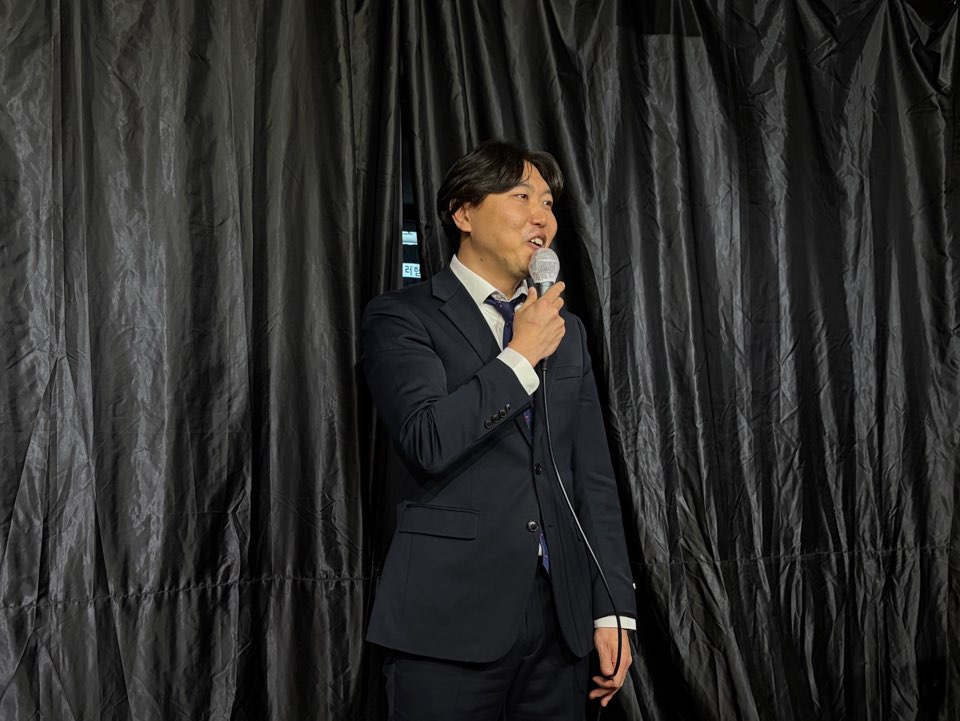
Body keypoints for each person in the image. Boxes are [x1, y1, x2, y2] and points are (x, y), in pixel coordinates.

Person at [362, 140, 637, 720]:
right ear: (464, 213)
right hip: (449, 621)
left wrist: (612, 608)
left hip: (559, 623)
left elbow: (591, 475)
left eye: (548, 203)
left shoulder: (566, 330)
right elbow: (427, 438)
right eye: (521, 196)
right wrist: (520, 355)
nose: (543, 217)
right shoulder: (402, 316)